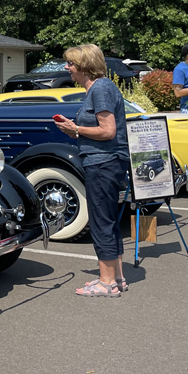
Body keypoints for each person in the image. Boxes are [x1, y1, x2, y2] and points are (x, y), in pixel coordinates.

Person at [52, 44, 130, 297]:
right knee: (107, 219)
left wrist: (76, 130)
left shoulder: (101, 88)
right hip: (106, 162)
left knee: (100, 221)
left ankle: (106, 283)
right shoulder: (101, 88)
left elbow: (107, 131)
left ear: (85, 66)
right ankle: (117, 278)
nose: (67, 68)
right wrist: (76, 126)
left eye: (71, 64)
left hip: (102, 162)